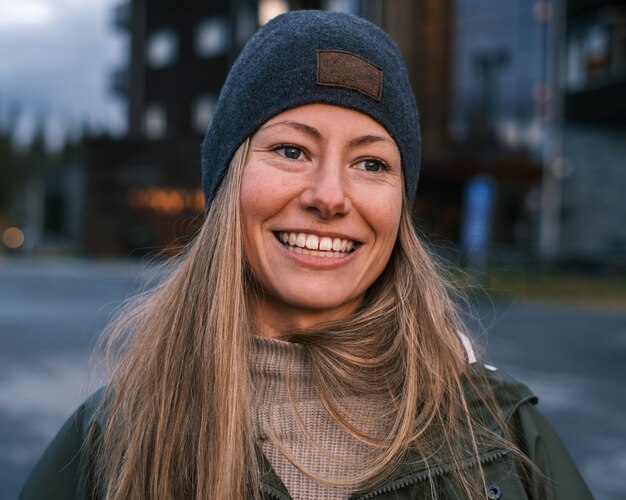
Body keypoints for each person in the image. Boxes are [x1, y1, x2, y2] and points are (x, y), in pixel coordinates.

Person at [20, 10, 592, 500]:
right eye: (292, 150)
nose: (329, 197)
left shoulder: (500, 434)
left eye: (371, 164)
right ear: (228, 184)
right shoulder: (113, 439)